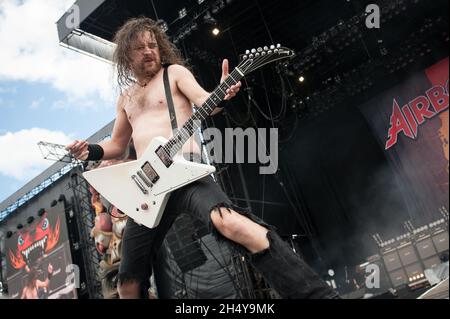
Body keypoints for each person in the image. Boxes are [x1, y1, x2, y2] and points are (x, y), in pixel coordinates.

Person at [66, 17, 338, 299]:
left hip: (186, 173)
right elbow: (118, 145)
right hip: (147, 190)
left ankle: (318, 296)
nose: (148, 51)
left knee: (229, 223)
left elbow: (206, 102)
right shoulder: (125, 98)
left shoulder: (175, 74)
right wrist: (90, 150)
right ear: (125, 54)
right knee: (127, 285)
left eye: (152, 45)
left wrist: (222, 92)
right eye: (139, 47)